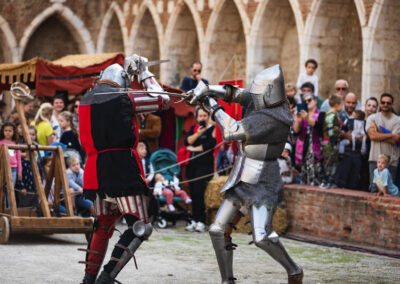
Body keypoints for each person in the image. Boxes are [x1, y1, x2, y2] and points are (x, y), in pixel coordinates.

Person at [190, 64, 303, 283]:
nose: (255, 97)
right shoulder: (265, 101)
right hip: (243, 171)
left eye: (259, 94)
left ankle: (294, 270)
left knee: (262, 237)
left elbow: (232, 131)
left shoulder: (274, 118)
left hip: (263, 177)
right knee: (216, 230)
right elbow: (238, 94)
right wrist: (208, 89)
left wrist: (211, 105)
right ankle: (227, 280)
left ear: (270, 93)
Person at [79, 55, 170, 284]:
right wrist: (144, 72)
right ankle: (107, 277)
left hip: (95, 170)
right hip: (122, 169)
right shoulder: (125, 98)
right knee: (141, 226)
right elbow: (163, 99)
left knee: (102, 226)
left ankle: (89, 280)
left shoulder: (85, 100)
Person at [184, 107, 216, 233]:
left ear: (208, 117)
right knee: (192, 192)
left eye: (205, 115)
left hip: (204, 166)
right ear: (196, 118)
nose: (202, 118)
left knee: (199, 192)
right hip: (192, 165)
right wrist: (198, 134)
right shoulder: (194, 129)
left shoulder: (212, 129)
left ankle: (202, 221)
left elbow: (210, 145)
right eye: (200, 116)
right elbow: (187, 142)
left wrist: (194, 149)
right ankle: (194, 220)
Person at [366, 93, 400, 185]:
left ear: (392, 105)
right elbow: (372, 136)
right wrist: (391, 135)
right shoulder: (372, 118)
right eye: (383, 102)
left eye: (388, 103)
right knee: (374, 190)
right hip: (375, 160)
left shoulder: (398, 120)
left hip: (391, 161)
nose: (385, 105)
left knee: (389, 191)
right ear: (380, 104)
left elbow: (396, 140)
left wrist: (378, 134)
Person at [293, 93, 323, 185]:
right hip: (303, 149)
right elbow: (296, 132)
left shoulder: (321, 114)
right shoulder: (301, 116)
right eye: (304, 101)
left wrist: (307, 117)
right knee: (304, 177)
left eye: (309, 100)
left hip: (316, 148)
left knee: (316, 177)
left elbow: (318, 127)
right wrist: (298, 120)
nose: (307, 102)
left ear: (315, 101)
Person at [336, 110, 367, 190]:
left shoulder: (361, 123)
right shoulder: (351, 122)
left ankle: (341, 153)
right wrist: (343, 134)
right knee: (344, 172)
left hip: (356, 151)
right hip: (350, 149)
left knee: (353, 174)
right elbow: (341, 132)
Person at [320, 94, 343, 188]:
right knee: (329, 161)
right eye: (342, 104)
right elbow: (330, 128)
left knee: (334, 162)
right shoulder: (331, 114)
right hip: (329, 142)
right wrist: (333, 141)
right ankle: (325, 180)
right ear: (337, 105)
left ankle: (331, 180)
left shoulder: (335, 115)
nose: (342, 106)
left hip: (334, 142)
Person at [0, 122, 23, 208]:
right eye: (6, 130)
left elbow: (19, 158)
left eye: (10, 130)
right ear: (3, 131)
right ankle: (3, 207)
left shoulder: (15, 144)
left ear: (13, 132)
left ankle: (10, 208)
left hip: (14, 169)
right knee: (2, 188)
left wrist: (19, 171)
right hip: (3, 168)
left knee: (10, 189)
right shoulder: (1, 143)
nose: (8, 132)